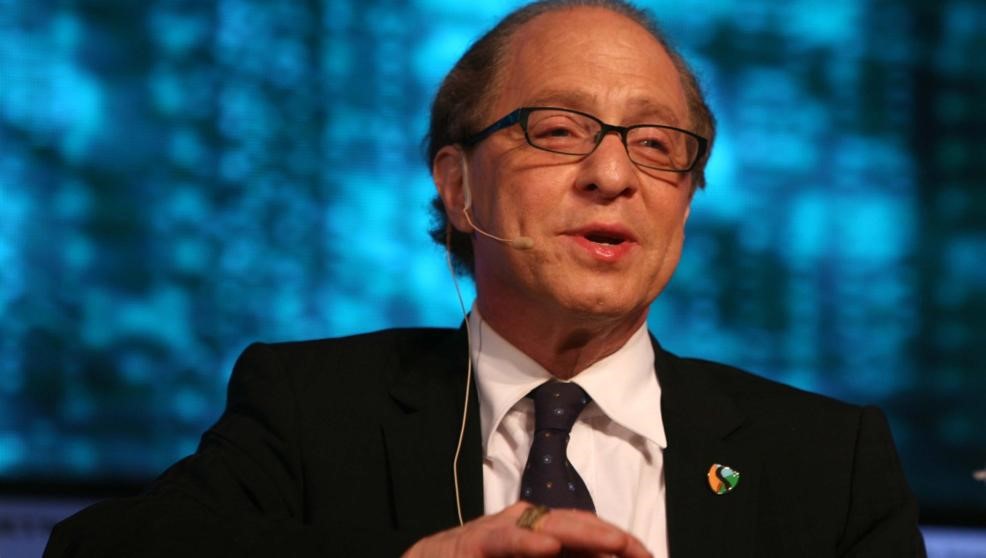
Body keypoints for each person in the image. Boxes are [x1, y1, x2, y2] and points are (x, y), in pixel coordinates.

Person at [45, 1, 926, 556]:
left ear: (687, 201)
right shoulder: (314, 408)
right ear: (459, 187)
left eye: (658, 145)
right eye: (559, 130)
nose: (613, 175)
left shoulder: (829, 460)